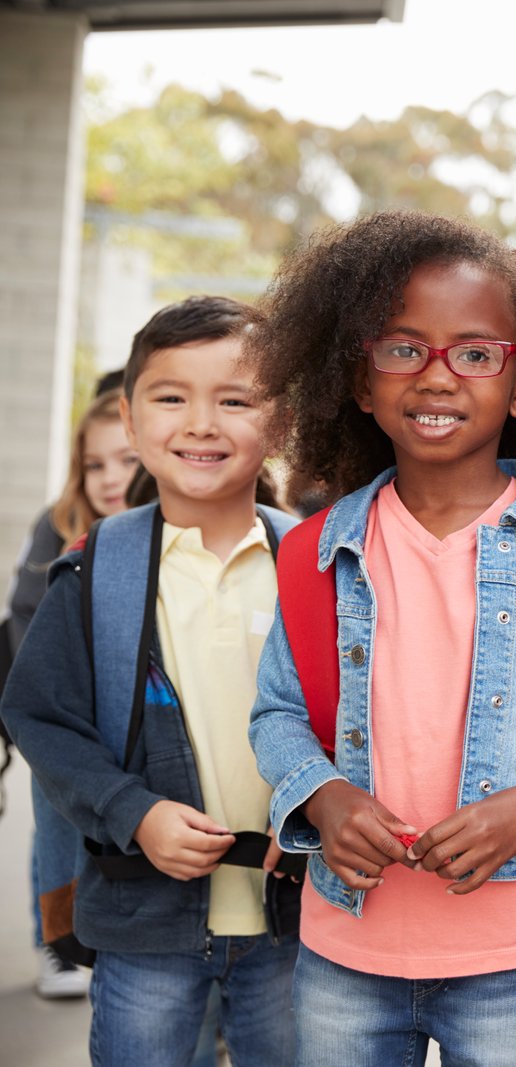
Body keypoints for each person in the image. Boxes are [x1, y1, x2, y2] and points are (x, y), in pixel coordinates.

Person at [245, 210, 516, 1067]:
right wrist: (323, 796)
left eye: (475, 353)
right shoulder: (317, 551)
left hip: (515, 957)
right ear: (360, 380)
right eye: (403, 349)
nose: (437, 376)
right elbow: (277, 712)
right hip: (347, 950)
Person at [1, 296, 300, 1066]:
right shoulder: (94, 570)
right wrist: (133, 813)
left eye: (235, 400)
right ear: (130, 424)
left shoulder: (316, 566)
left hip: (296, 926)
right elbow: (42, 717)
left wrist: (320, 810)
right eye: (171, 398)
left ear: (281, 423)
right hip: (144, 925)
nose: (201, 423)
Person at [4, 390, 139, 999]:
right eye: (94, 465)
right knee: (57, 817)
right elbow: (25, 617)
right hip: (70, 715)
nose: (109, 478)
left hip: (141, 720)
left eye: (126, 461)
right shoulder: (58, 526)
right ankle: (57, 942)